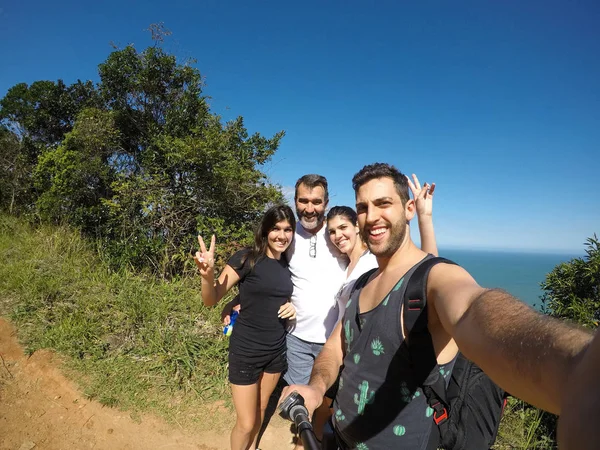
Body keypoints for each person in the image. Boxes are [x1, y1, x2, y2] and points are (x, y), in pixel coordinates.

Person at [280, 163, 593, 449]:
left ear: (409, 208)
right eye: (363, 207)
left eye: (383, 203)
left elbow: (477, 310)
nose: (371, 215)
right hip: (341, 438)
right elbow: (336, 347)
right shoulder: (363, 284)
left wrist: (578, 369)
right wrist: (317, 387)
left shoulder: (434, 279)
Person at [194, 205, 298, 450]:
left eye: (288, 229)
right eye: (275, 228)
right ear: (265, 230)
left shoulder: (288, 265)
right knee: (245, 422)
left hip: (275, 350)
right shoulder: (246, 258)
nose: (281, 235)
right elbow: (212, 298)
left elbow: (276, 295)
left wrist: (292, 306)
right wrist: (207, 276)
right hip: (246, 351)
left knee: (261, 409)